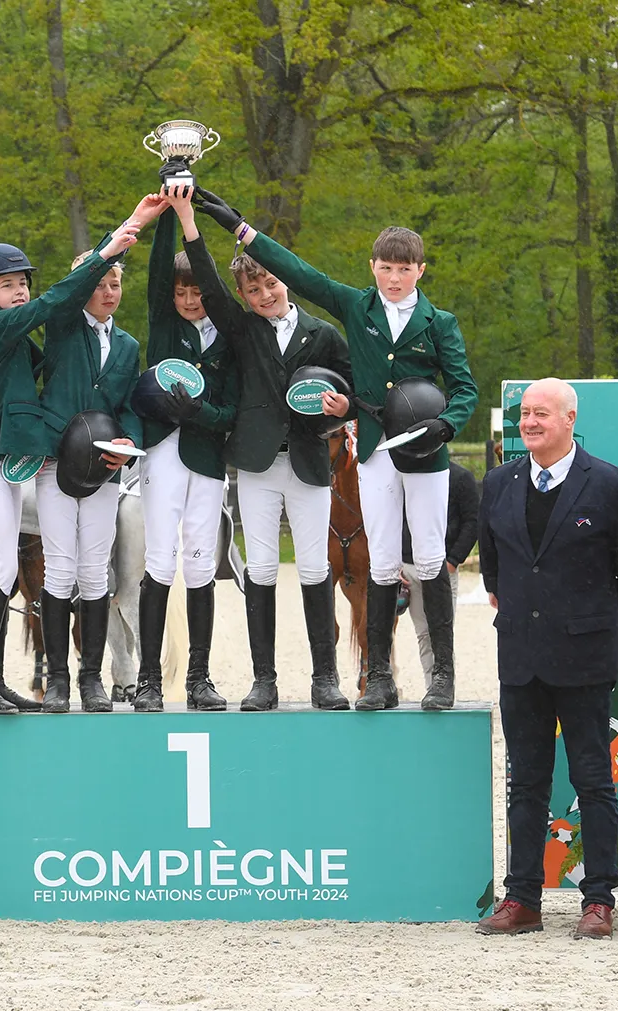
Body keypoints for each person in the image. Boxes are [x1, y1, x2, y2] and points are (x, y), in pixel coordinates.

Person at [202, 196, 478, 711]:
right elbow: (299, 273)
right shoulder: (356, 306)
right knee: (380, 562)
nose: (394, 279)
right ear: (373, 267)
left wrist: (446, 425)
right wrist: (237, 227)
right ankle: (378, 677)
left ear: (421, 270)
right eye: (387, 268)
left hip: (425, 453)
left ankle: (443, 675)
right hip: (373, 448)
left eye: (405, 270)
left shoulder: (441, 322)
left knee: (432, 557)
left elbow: (465, 388)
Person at [0, 195, 163, 714]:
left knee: (10, 567)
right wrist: (119, 238)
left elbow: (85, 383)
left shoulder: (25, 338)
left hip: (19, 461)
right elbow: (57, 305)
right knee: (5, 567)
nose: (20, 291)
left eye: (23, 282)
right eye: (8, 285)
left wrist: (124, 439)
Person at [475, 378, 618, 940]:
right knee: (524, 781)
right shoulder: (499, 483)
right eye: (524, 414)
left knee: (592, 779)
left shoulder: (612, 486)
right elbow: (496, 568)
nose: (529, 423)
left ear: (570, 418)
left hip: (584, 657)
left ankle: (599, 900)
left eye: (541, 414)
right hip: (520, 658)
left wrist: (597, 629)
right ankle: (522, 898)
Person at [170, 186, 353, 711]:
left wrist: (344, 410)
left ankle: (325, 677)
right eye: (254, 291)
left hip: (309, 460)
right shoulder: (242, 329)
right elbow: (204, 276)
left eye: (270, 284)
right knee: (263, 569)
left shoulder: (324, 333)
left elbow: (349, 389)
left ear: (283, 281)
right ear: (244, 297)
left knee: (316, 566)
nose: (265, 296)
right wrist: (190, 219)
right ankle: (264, 679)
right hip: (256, 463)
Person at [134, 204, 239, 713]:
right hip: (164, 454)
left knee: (201, 565)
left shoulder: (227, 338)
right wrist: (173, 211)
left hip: (207, 456)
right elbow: (158, 270)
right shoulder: (162, 323)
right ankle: (149, 678)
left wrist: (204, 412)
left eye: (198, 292)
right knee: (159, 560)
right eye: (182, 292)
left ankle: (198, 676)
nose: (191, 300)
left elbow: (232, 410)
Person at [33, 249, 141, 713]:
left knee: (96, 571)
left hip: (105, 471)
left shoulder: (129, 346)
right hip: (57, 464)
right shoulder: (61, 326)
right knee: (59, 568)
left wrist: (128, 442)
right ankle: (57, 679)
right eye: (98, 285)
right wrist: (106, 252)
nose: (107, 293)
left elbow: (130, 405)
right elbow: (68, 295)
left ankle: (92, 678)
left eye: (114, 284)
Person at [397, 460, 479, 690]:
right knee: (423, 633)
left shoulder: (461, 478)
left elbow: (472, 522)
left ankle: (444, 687)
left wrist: (453, 561)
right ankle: (430, 685)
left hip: (443, 566)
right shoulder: (404, 476)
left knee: (442, 633)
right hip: (408, 566)